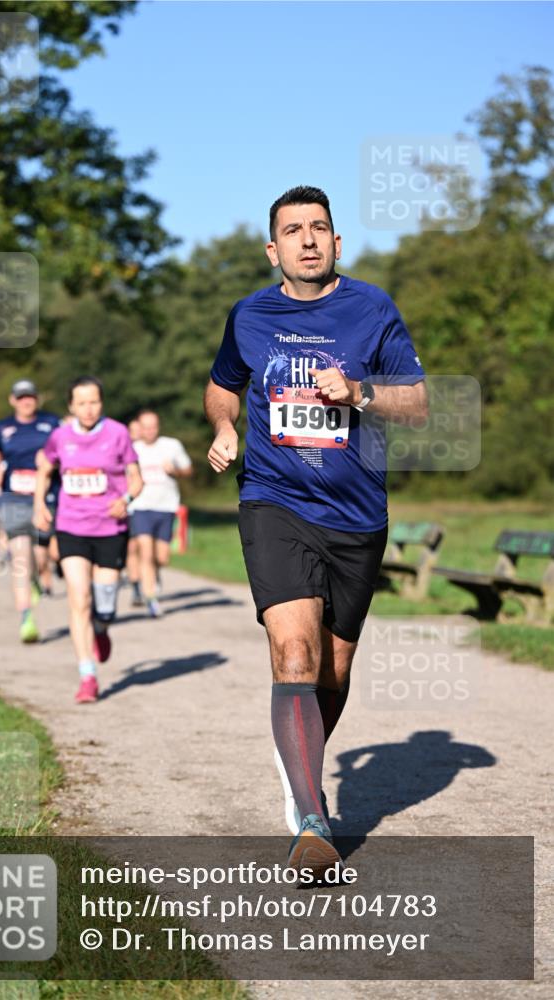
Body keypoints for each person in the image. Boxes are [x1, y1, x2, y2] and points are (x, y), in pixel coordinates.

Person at [204, 185, 427, 877]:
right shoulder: (249, 315)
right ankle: (309, 818)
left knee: (332, 670)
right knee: (294, 654)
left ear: (336, 242)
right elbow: (223, 384)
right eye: (294, 230)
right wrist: (223, 427)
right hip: (273, 500)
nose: (307, 239)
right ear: (273, 249)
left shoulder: (371, 308)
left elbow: (417, 403)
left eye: (319, 228)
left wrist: (359, 393)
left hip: (356, 516)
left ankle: (299, 763)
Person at [33, 376, 142, 704]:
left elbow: (136, 479)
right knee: (78, 598)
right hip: (71, 526)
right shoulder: (60, 436)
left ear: (101, 403)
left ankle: (102, 627)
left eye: (94, 401)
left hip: (110, 527)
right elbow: (44, 470)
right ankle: (87, 676)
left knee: (104, 604)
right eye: (81, 403)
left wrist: (126, 500)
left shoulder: (118, 433)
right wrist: (39, 505)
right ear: (71, 406)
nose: (88, 409)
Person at [0, 380, 59, 643]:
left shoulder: (52, 423)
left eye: (30, 396)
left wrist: (50, 463)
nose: (26, 401)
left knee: (40, 558)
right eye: (21, 397)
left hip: (46, 498)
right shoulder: (2, 428)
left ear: (37, 399)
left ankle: (36, 579)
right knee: (20, 556)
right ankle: (26, 618)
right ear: (12, 400)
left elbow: (66, 452)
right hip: (14, 499)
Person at [130, 410, 193, 618]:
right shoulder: (132, 449)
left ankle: (154, 574)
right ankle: (151, 598)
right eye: (145, 427)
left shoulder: (171, 445)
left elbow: (188, 470)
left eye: (153, 427)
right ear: (139, 428)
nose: (149, 431)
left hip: (166, 507)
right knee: (145, 552)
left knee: (162, 557)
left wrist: (175, 471)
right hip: (140, 507)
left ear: (158, 427)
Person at [125, 418, 144, 607]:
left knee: (147, 551)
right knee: (132, 549)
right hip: (129, 508)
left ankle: (151, 574)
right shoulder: (123, 449)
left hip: (149, 507)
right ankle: (137, 587)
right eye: (134, 430)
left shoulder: (156, 448)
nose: (138, 433)